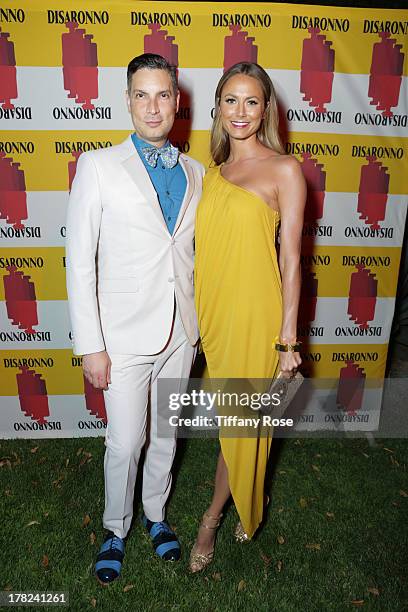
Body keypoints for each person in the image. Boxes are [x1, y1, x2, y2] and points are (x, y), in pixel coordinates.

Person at [65, 53, 204, 585]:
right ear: (127, 101)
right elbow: (79, 261)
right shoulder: (98, 166)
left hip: (181, 333)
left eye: (163, 94)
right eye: (141, 95)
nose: (153, 106)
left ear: (177, 102)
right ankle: (114, 527)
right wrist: (90, 345)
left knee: (165, 434)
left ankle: (154, 515)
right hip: (121, 336)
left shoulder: (196, 172)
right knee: (125, 441)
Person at [190, 62, 305, 572]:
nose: (240, 111)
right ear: (217, 107)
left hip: (258, 318)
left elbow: (292, 258)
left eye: (251, 101)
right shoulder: (210, 175)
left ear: (266, 109)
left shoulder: (284, 169)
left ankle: (211, 518)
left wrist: (287, 340)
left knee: (239, 426)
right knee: (233, 425)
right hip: (213, 314)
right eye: (231, 100)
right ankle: (238, 497)